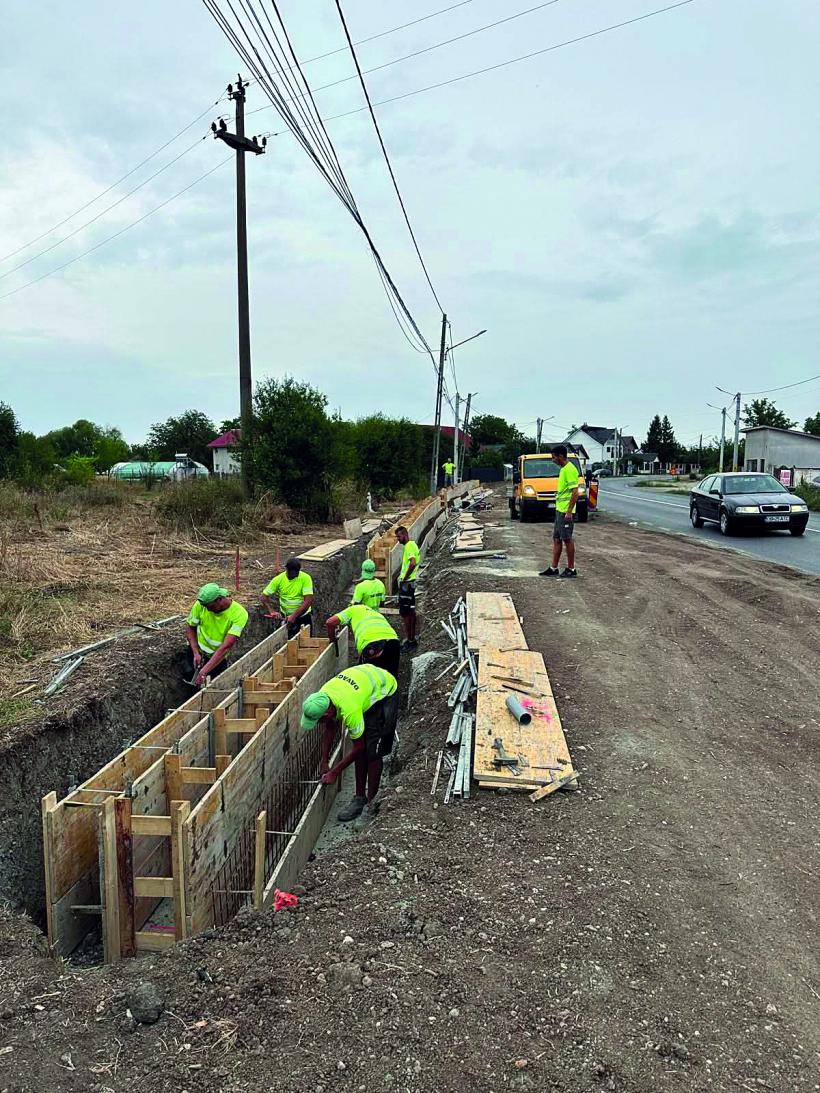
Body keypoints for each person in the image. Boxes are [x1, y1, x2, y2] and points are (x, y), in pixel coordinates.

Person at [300, 664, 398, 822]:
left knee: (372, 751)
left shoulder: (349, 708)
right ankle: (360, 798)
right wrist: (324, 761)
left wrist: (335, 772)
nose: (318, 724)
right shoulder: (324, 696)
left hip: (384, 692)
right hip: (362, 688)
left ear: (328, 712)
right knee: (362, 742)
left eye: (319, 720)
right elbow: (330, 726)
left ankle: (371, 805)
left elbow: (358, 747)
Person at [185, 583, 249, 685]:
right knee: (191, 680)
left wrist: (204, 671)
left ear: (219, 599)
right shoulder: (201, 605)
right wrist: (196, 652)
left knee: (215, 686)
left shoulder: (239, 614)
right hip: (198, 652)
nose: (207, 609)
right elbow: (190, 628)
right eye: (205, 606)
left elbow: (226, 646)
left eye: (210, 606)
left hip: (217, 657)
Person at [326, 603, 401, 680]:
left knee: (366, 680)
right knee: (391, 680)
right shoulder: (374, 613)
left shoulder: (352, 609)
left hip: (374, 645)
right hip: (393, 642)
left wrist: (332, 639)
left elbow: (330, 622)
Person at [540, 445, 580, 579]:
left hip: (566, 512)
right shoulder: (563, 469)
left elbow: (575, 492)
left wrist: (569, 511)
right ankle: (554, 568)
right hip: (560, 510)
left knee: (567, 539)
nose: (553, 460)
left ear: (561, 456)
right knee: (557, 539)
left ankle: (571, 569)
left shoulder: (569, 470)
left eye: (554, 457)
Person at [262, 557, 314, 637]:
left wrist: (294, 616)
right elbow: (264, 597)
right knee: (288, 642)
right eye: (291, 574)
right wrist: (271, 611)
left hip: (303, 617)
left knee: (305, 643)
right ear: (286, 569)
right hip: (286, 617)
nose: (293, 576)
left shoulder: (306, 578)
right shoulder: (278, 579)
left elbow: (308, 601)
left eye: (295, 574)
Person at [395, 525, 419, 649]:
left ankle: (410, 641)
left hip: (407, 584)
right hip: (411, 584)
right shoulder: (413, 545)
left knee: (406, 613)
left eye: (399, 537)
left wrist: (404, 578)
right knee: (411, 612)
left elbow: (413, 563)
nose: (397, 540)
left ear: (404, 535)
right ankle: (411, 639)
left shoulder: (409, 546)